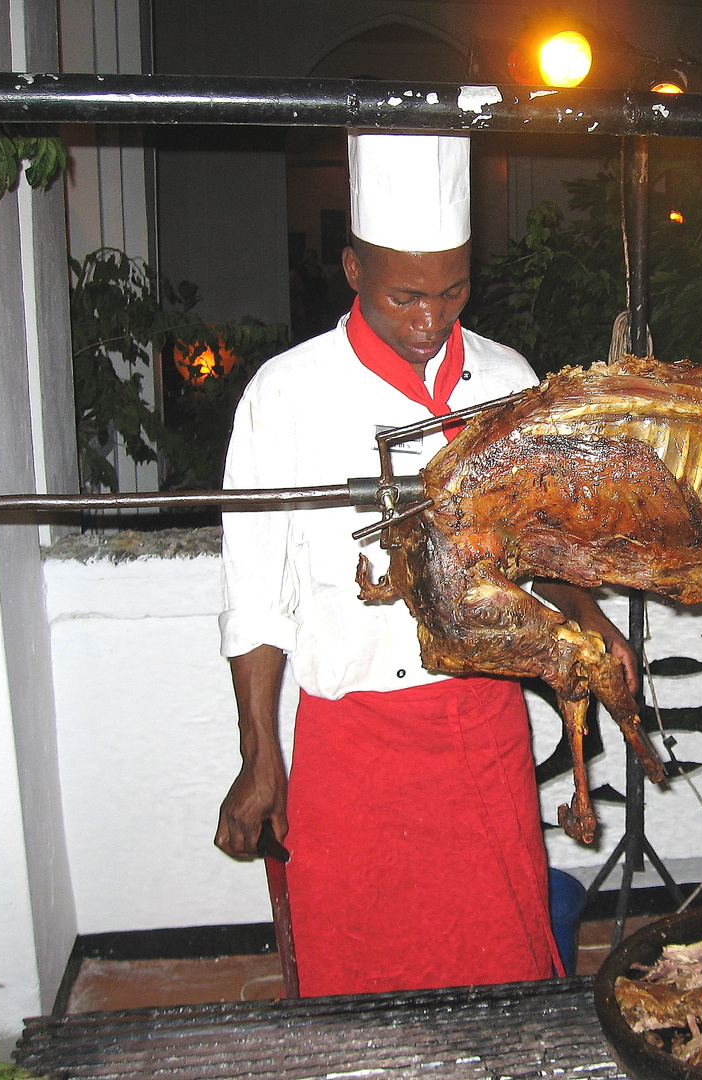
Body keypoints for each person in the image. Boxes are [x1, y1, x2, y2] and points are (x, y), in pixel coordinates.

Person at [214, 133, 634, 995]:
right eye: (407, 295)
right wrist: (261, 754)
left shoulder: (506, 377)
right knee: (357, 989)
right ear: (352, 270)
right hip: (353, 741)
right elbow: (256, 595)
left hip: (484, 727)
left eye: (453, 291)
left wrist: (588, 617)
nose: (430, 320)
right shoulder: (285, 395)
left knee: (500, 975)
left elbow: (541, 543)